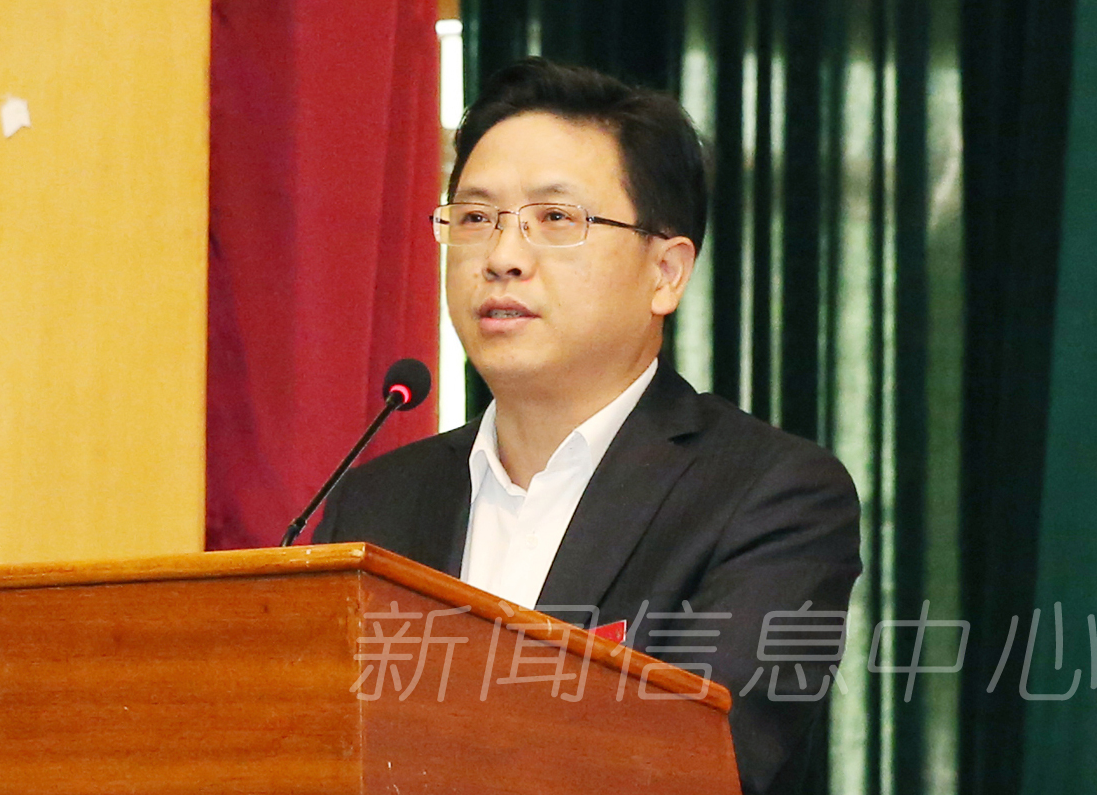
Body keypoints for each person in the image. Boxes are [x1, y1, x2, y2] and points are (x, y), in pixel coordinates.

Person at [315, 57, 861, 795]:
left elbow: (696, 765)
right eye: (474, 218)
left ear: (666, 273)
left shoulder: (770, 497)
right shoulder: (374, 504)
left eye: (556, 220)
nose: (503, 257)